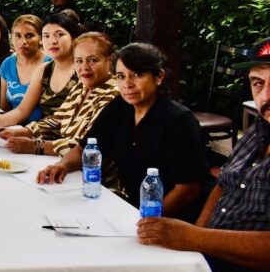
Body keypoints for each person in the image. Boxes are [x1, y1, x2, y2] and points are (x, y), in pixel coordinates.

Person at [134, 38, 270, 272]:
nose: (266, 96)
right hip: (224, 265)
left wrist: (195, 239)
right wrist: (200, 237)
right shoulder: (260, 130)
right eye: (258, 83)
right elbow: (222, 184)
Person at [37, 43, 209, 218]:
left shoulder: (179, 120)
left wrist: (145, 220)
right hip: (133, 207)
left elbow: (188, 189)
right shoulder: (120, 107)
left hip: (171, 217)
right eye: (121, 76)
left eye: (137, 75)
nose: (127, 84)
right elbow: (85, 148)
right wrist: (62, 165)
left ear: (159, 77)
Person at [0, 32, 118, 157]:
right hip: (64, 161)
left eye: (93, 60)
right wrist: (16, 133)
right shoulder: (81, 87)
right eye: (79, 61)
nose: (84, 67)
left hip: (91, 168)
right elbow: (56, 121)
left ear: (110, 61)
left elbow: (86, 145)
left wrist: (34, 146)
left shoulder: (114, 96)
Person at [0, 12, 81, 129]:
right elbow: (22, 110)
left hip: (62, 136)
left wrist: (26, 133)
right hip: (38, 132)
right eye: (46, 36)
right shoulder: (44, 69)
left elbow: (70, 122)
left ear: (74, 38)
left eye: (59, 34)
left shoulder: (82, 70)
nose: (52, 41)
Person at [0, 15, 50, 117]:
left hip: (42, 126)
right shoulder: (7, 64)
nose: (23, 41)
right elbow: (4, 108)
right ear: (11, 38)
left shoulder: (51, 64)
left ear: (41, 38)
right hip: (13, 124)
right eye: (18, 35)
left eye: (29, 36)